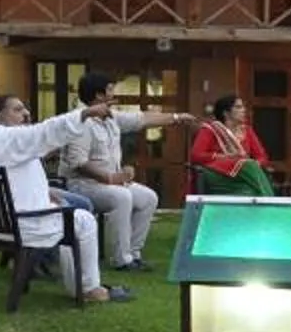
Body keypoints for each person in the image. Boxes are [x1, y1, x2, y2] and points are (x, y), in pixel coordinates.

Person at [0, 93, 127, 301]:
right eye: (17, 109)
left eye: (25, 108)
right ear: (0, 116)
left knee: (69, 213)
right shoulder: (10, 138)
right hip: (22, 224)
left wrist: (44, 193)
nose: (26, 114)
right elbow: (45, 131)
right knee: (83, 220)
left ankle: (82, 286)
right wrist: (85, 113)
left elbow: (16, 176)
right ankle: (89, 289)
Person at [53, 72, 191, 272]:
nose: (114, 92)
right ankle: (120, 259)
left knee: (148, 198)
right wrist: (110, 178)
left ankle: (134, 254)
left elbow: (141, 119)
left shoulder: (110, 117)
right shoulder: (80, 122)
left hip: (109, 183)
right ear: (99, 95)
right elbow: (78, 162)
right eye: (110, 88)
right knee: (122, 197)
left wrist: (176, 117)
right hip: (81, 185)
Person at [190, 93, 275, 195]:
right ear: (226, 113)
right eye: (238, 107)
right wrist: (225, 156)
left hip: (244, 175)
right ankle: (272, 203)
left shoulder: (247, 131)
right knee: (247, 164)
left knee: (250, 191)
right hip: (216, 174)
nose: (244, 110)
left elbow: (262, 157)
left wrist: (255, 166)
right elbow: (196, 155)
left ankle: (267, 204)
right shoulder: (210, 130)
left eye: (243, 107)